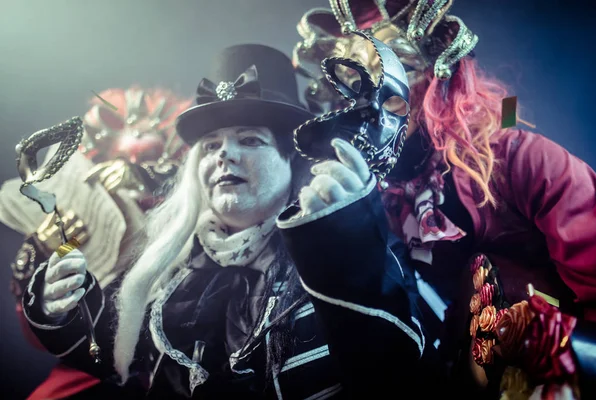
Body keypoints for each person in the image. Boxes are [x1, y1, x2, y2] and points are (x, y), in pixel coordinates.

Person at [21, 44, 424, 399]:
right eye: (211, 145)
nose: (223, 156)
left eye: (250, 140)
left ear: (292, 162)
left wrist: (345, 246)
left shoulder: (353, 246)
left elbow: (395, 373)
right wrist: (62, 307)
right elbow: (110, 355)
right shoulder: (170, 265)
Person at [293, 0, 596, 398]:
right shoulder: (384, 202)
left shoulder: (520, 158)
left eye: (393, 63)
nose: (370, 94)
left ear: (437, 76)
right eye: (355, 76)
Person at [0, 87, 191, 399]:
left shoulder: (198, 214)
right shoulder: (79, 223)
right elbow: (41, 332)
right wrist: (44, 248)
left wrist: (148, 177)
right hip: (93, 369)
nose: (124, 167)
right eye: (119, 158)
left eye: (144, 158)